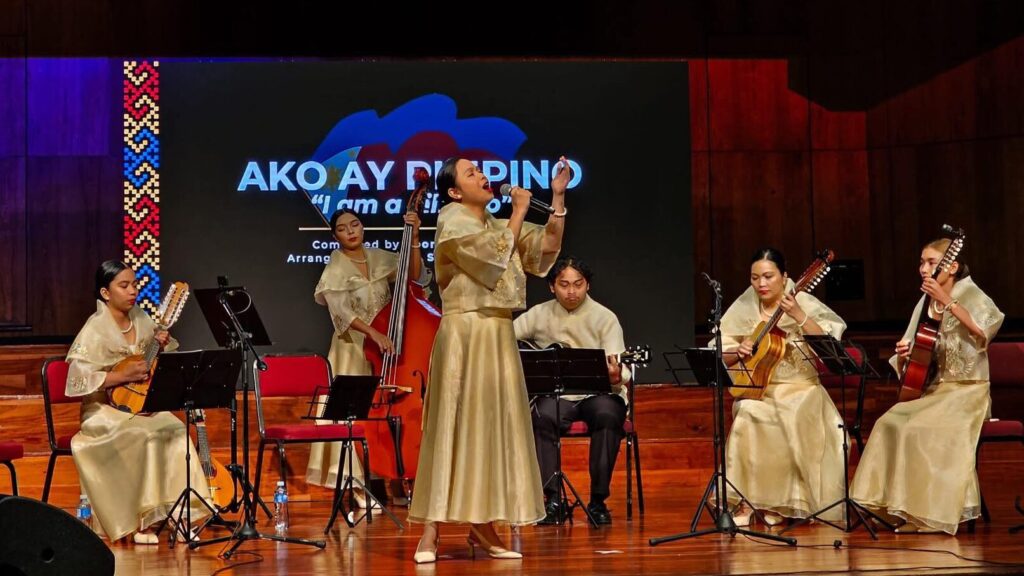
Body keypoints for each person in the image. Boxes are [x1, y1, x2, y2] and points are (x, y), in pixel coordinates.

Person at [408, 156, 569, 563]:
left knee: (491, 428)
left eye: (480, 169)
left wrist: (558, 197)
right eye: (470, 172)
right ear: (455, 191)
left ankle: (484, 527)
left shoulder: (498, 224)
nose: (482, 175)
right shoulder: (451, 218)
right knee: (451, 424)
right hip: (464, 332)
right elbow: (491, 258)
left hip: (497, 333)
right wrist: (516, 212)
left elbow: (544, 250)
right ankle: (431, 530)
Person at [851, 238, 1003, 534]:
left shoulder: (971, 294)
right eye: (922, 262)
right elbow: (916, 356)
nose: (924, 269)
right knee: (889, 422)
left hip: (969, 391)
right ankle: (893, 508)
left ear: (953, 266)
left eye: (932, 263)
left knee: (918, 428)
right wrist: (907, 354)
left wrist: (948, 302)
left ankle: (926, 513)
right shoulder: (926, 302)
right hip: (938, 389)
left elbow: (984, 331)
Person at [65, 260, 210, 544]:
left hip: (140, 407)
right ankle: (140, 522)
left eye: (134, 285)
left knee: (176, 430)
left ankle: (179, 515)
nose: (133, 291)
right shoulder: (95, 328)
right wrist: (118, 375)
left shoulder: (142, 319)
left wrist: (163, 345)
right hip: (102, 411)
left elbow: (159, 365)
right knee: (144, 435)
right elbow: (75, 381)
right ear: (106, 293)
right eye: (124, 285)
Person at [721, 247, 847, 526]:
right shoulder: (746, 304)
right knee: (748, 412)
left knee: (786, 416)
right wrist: (738, 350)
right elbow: (721, 346)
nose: (761, 284)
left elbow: (831, 344)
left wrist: (800, 315)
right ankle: (747, 500)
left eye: (768, 276)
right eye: (755, 278)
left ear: (784, 276)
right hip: (762, 387)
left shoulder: (803, 300)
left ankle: (780, 503)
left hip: (803, 389)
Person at [306, 208, 423, 506]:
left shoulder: (379, 257)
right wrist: (373, 333)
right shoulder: (335, 266)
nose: (351, 231)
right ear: (335, 236)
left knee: (385, 411)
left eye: (355, 224)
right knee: (353, 414)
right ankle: (357, 485)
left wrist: (414, 236)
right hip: (352, 348)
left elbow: (414, 274)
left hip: (385, 348)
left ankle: (396, 479)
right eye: (343, 228)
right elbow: (342, 312)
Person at [513, 256, 630, 525]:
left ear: (587, 285)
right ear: (552, 287)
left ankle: (598, 500)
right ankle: (552, 500)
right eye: (564, 285)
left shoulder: (604, 317)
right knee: (541, 416)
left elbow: (621, 370)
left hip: (597, 394)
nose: (571, 291)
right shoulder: (540, 314)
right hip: (558, 394)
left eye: (578, 284)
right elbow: (506, 337)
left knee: (608, 414)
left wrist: (616, 375)